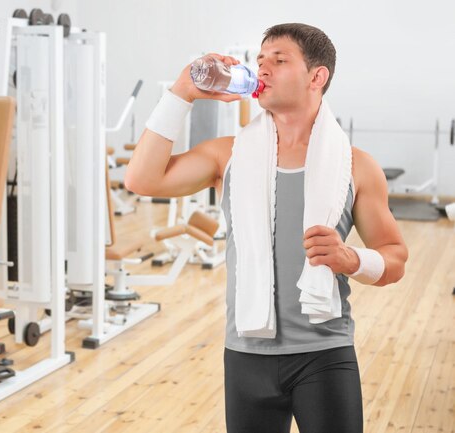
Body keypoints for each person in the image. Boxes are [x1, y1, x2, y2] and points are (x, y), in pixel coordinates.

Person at [124, 23, 408, 433]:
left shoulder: (357, 166)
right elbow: (141, 180)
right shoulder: (228, 155)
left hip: (324, 353)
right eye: (259, 61)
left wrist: (351, 258)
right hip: (245, 354)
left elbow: (395, 258)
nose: (263, 70)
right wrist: (182, 92)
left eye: (278, 60)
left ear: (317, 76)